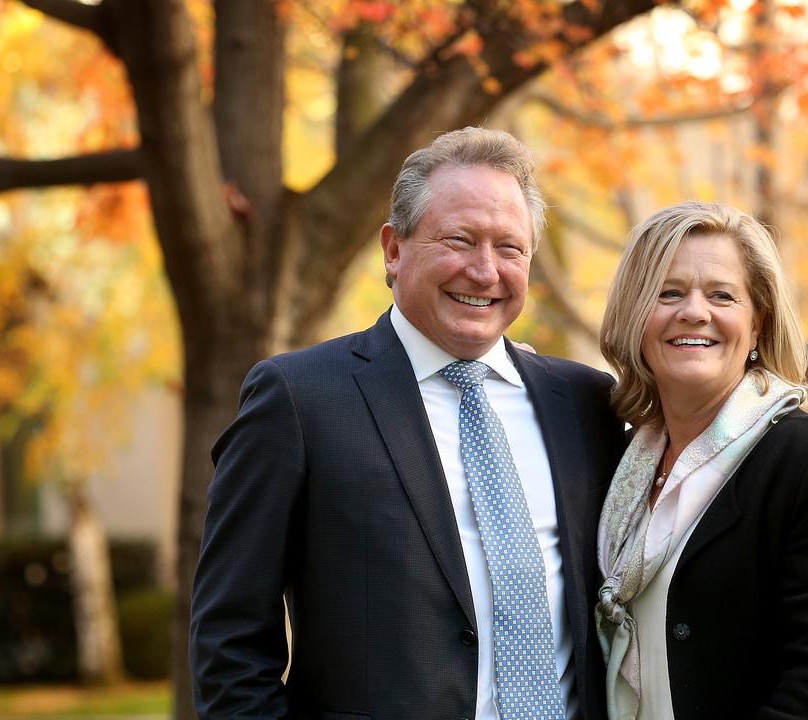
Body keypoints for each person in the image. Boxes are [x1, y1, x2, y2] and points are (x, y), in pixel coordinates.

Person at [190, 127, 627, 720]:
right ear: (393, 250)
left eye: (510, 248)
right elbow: (230, 645)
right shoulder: (297, 399)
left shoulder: (585, 403)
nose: (484, 271)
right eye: (460, 240)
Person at [594, 201, 808, 719]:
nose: (695, 312)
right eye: (669, 293)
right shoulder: (623, 465)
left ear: (757, 325)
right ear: (636, 314)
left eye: (721, 295)